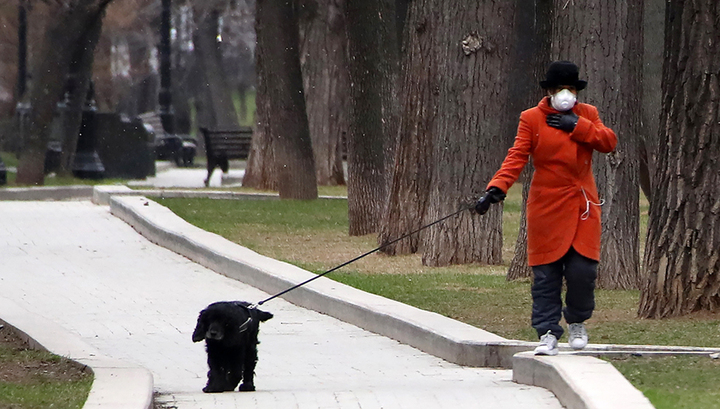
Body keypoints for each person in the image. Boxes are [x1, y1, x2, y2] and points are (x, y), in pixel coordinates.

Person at [475, 61, 617, 356]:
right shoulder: (531, 118)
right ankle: (547, 332)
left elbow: (608, 142)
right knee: (546, 275)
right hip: (546, 207)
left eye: (572, 89)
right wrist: (496, 189)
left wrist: (577, 127)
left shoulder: (587, 115)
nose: (567, 94)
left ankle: (577, 321)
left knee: (582, 271)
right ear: (550, 91)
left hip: (582, 207)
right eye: (561, 89)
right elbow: (517, 155)